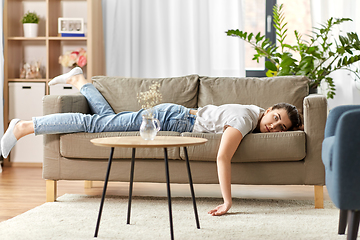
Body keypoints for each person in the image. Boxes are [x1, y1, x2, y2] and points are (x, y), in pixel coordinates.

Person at [0, 67, 302, 216]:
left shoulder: (253, 111)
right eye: (276, 117)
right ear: (271, 108)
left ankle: (80, 81)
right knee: (94, 125)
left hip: (174, 115)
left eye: (280, 127)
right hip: (171, 119)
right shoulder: (245, 119)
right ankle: (26, 125)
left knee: (106, 123)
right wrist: (227, 201)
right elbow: (223, 157)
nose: (274, 125)